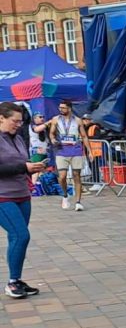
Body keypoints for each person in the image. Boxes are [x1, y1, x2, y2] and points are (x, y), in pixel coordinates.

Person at [0, 103, 44, 299]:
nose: (18, 125)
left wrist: (33, 166)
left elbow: (21, 163)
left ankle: (16, 279)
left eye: (20, 121)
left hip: (22, 193)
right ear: (1, 118)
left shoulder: (17, 138)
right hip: (3, 196)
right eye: (15, 121)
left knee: (16, 238)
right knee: (21, 235)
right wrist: (24, 167)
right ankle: (11, 283)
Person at [47, 100, 90, 211]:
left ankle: (78, 202)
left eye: (63, 108)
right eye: (60, 107)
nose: (61, 109)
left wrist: (89, 151)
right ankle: (65, 195)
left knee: (76, 175)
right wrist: (53, 139)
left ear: (69, 108)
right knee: (62, 176)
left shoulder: (78, 120)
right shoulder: (56, 119)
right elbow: (51, 133)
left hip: (76, 150)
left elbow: (84, 136)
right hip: (61, 151)